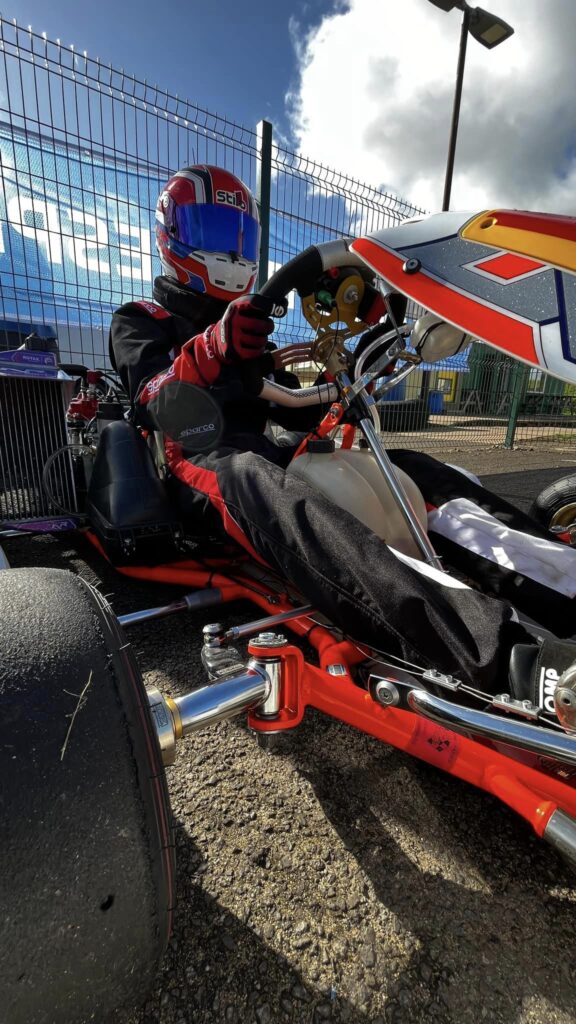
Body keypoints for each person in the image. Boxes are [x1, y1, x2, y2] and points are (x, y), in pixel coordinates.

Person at [110, 164, 576, 710]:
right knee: (259, 479)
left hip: (267, 450)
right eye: (215, 234)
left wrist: (352, 372)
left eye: (240, 239)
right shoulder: (139, 319)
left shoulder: (252, 330)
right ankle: (514, 664)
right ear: (173, 235)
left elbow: (298, 410)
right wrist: (215, 347)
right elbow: (154, 397)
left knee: (406, 470)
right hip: (192, 461)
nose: (231, 252)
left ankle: (562, 584)